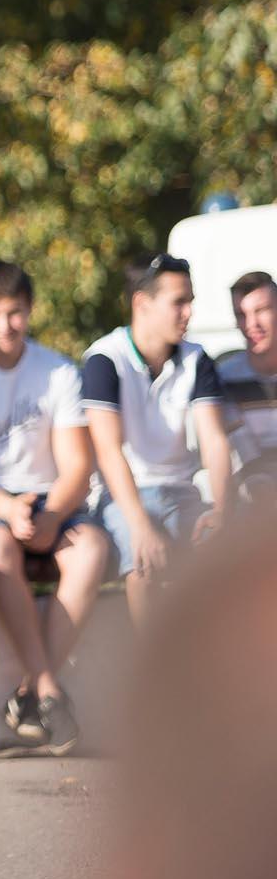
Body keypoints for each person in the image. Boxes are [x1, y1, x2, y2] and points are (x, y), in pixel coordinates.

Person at [0, 262, 113, 756]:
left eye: (14, 314)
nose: (4, 326)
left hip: (49, 499)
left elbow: (78, 464)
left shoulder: (57, 370)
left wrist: (52, 514)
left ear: (29, 310)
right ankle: (50, 690)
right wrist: (9, 510)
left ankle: (35, 689)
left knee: (92, 549)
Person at [81, 252, 235, 626]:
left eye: (190, 302)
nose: (189, 313)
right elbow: (107, 450)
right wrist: (140, 526)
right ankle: (159, 684)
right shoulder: (104, 358)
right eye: (179, 302)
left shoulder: (197, 358)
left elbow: (215, 441)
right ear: (142, 303)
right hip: (122, 496)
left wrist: (222, 511)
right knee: (145, 561)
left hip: (182, 493)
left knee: (228, 559)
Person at [219, 270, 277, 488]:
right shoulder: (223, 378)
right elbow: (245, 457)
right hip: (252, 488)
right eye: (241, 315)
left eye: (261, 310)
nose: (252, 324)